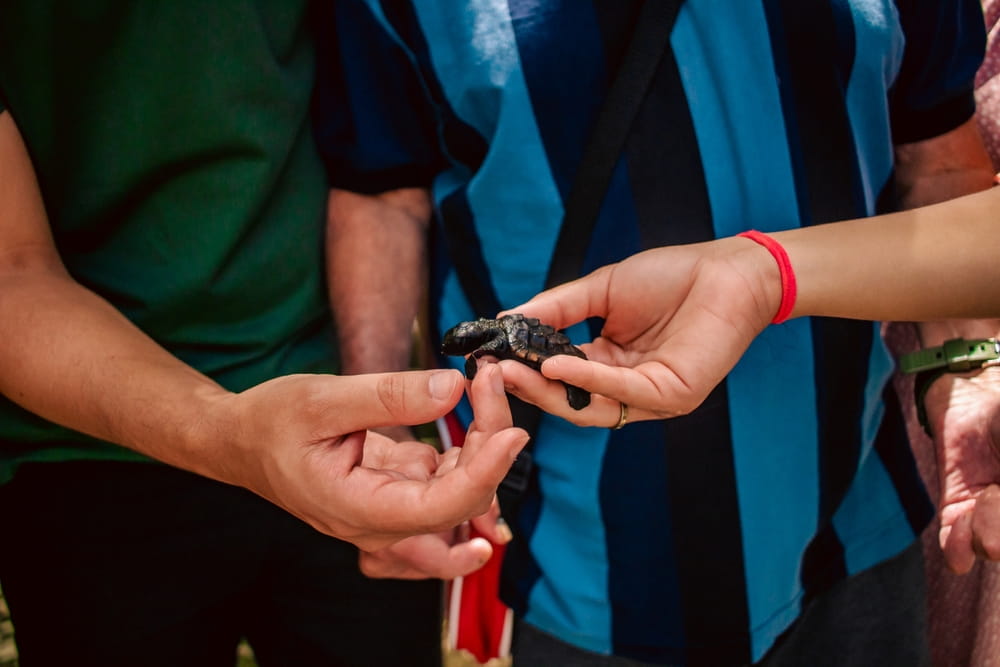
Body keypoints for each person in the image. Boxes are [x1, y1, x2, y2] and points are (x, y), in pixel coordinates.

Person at [317, 1, 997, 664]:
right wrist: (385, 428)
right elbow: (382, 190)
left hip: (856, 507)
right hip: (580, 556)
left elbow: (938, 154)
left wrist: (965, 367)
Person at [0, 5, 529, 667]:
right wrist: (233, 432)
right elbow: (13, 272)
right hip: (79, 448)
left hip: (345, 425)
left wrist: (385, 422)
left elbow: (377, 167)